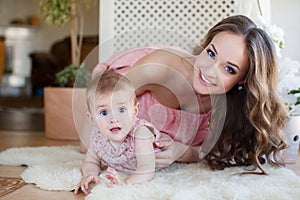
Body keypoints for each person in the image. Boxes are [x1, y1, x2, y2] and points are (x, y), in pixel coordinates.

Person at [85, 15, 288, 175]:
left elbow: (211, 152)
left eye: (229, 69)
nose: (209, 70)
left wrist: (181, 151)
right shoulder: (157, 69)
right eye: (211, 53)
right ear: (206, 44)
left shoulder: (231, 102)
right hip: (111, 91)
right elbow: (98, 112)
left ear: (243, 80)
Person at [74, 70, 172, 195]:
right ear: (92, 118)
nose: (114, 119)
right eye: (104, 112)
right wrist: (90, 174)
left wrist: (124, 183)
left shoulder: (141, 133)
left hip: (158, 157)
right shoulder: (98, 135)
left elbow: (146, 170)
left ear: (135, 111)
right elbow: (91, 161)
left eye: (121, 109)